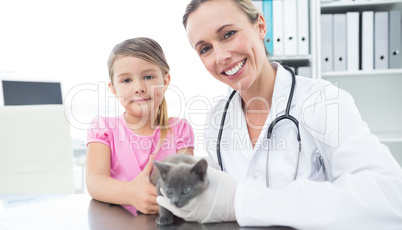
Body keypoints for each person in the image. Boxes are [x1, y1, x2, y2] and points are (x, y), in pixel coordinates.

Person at [156, 0, 402, 229]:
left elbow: (389, 195)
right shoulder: (217, 118)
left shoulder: (323, 101)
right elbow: (216, 187)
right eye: (205, 48)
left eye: (228, 34)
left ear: (260, 26)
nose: (221, 56)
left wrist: (241, 202)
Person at [86, 37, 194, 215]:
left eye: (148, 77)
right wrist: (130, 193)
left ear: (165, 81)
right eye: (126, 80)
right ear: (113, 89)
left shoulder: (179, 129)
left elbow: (187, 181)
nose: (138, 88)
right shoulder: (103, 127)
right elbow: (94, 182)